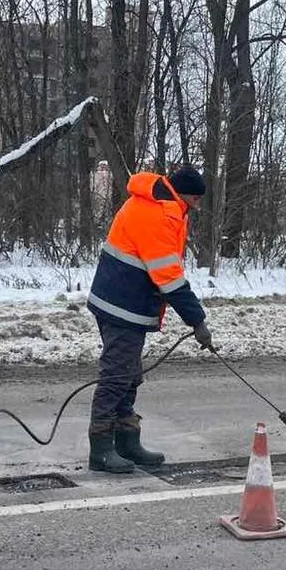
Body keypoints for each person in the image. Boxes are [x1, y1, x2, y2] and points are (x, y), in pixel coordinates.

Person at [85, 165, 213, 474]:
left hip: (128, 302)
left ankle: (127, 440)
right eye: (195, 200)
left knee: (129, 374)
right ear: (184, 194)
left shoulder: (162, 205)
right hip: (120, 305)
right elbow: (167, 277)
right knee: (117, 375)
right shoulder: (157, 214)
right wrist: (198, 322)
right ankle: (101, 449)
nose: (196, 206)